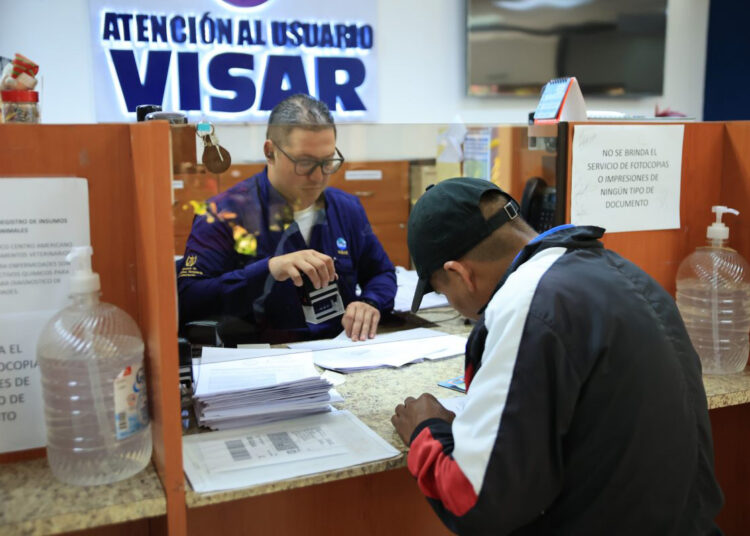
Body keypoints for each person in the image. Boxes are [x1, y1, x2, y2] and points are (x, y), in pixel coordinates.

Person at [391, 177, 724, 535]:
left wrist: (426, 430)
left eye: (443, 292)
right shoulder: (623, 272)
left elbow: (478, 501)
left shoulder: (526, 303)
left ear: (459, 273)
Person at [177, 94, 396, 343]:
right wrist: (268, 270)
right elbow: (189, 298)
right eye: (304, 162)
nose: (318, 177)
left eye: (327, 162)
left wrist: (370, 302)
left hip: (341, 350)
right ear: (270, 152)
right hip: (263, 355)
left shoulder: (346, 209)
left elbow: (382, 273)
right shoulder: (223, 214)